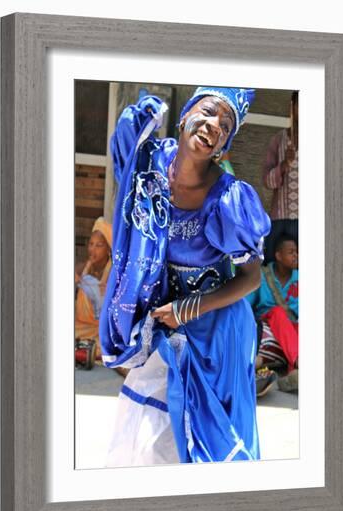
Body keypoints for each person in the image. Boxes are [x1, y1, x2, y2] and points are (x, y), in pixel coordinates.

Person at [99, 87, 271, 467]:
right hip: (168, 322)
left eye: (225, 126)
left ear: (223, 146)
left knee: (208, 445)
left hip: (218, 333)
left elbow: (252, 278)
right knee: (150, 430)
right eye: (208, 112)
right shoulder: (150, 166)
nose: (213, 126)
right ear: (185, 115)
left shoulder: (228, 198)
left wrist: (187, 308)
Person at [247, 234, 298, 392]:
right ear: (278, 256)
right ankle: (298, 363)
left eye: (297, 252)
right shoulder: (262, 276)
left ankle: (292, 376)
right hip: (267, 325)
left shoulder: (301, 277)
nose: (296, 256)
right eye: (291, 252)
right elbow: (245, 305)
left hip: (292, 329)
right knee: (277, 312)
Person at [262, 92, 298, 264]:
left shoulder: (321, 140)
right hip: (279, 218)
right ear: (292, 108)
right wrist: (284, 165)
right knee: (270, 264)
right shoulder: (278, 140)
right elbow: (267, 182)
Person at [75, 217, 112, 358]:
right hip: (83, 328)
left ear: (108, 248)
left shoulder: (114, 274)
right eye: (91, 244)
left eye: (99, 245)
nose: (93, 249)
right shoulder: (81, 269)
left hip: (104, 329)